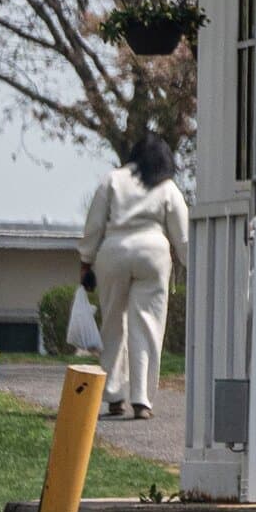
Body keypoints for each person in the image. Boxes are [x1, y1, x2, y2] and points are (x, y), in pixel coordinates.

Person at [79, 134, 189, 421]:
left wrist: (86, 260)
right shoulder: (166, 187)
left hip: (114, 251)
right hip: (153, 252)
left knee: (114, 324)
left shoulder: (113, 180)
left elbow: (94, 223)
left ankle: (114, 395)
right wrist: (192, 265)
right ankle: (142, 399)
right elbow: (183, 235)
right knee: (148, 326)